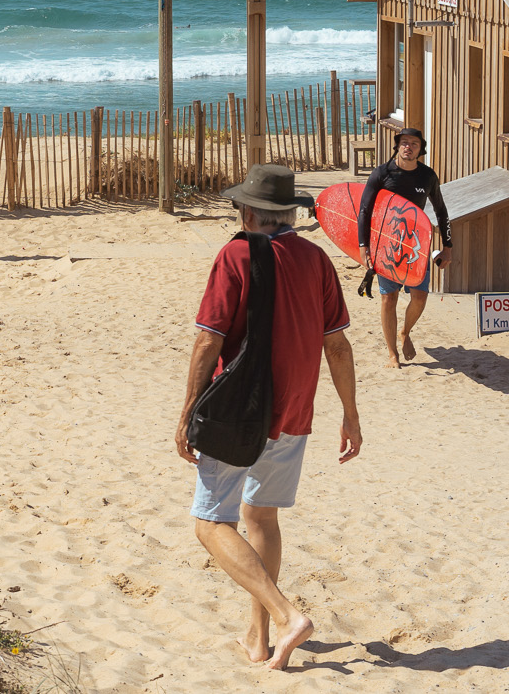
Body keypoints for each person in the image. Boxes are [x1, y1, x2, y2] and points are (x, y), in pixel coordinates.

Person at [175, 164, 359, 670]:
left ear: (250, 211)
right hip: (297, 410)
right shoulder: (318, 259)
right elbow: (337, 346)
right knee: (262, 518)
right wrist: (351, 415)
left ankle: (284, 615)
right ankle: (258, 640)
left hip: (239, 414)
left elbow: (208, 339)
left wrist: (188, 410)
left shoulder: (235, 254)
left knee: (210, 524)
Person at [356, 127, 452, 369]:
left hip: (416, 245)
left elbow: (441, 211)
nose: (409, 146)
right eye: (405, 142)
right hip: (386, 243)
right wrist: (362, 246)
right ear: (398, 146)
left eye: (415, 144)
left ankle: (405, 332)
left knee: (419, 297)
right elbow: (364, 210)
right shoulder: (382, 174)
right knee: (389, 298)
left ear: (420, 150)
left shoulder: (427, 177)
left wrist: (448, 246)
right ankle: (392, 354)